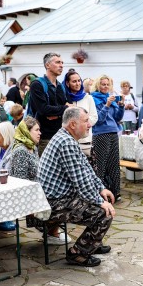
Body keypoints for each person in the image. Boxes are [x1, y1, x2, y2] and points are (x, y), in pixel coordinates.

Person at [38, 107, 115, 267]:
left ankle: (92, 242)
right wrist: (100, 201)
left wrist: (101, 188)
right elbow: (81, 182)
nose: (90, 124)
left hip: (60, 198)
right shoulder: (66, 142)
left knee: (101, 201)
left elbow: (85, 169)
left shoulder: (66, 138)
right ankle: (78, 254)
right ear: (73, 124)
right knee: (104, 213)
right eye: (86, 121)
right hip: (53, 203)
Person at [28, 53, 71, 155]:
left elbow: (70, 108)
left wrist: (55, 113)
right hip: (44, 137)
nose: (61, 65)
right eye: (57, 62)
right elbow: (43, 110)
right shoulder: (37, 84)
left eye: (62, 63)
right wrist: (63, 108)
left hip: (61, 136)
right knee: (45, 170)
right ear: (47, 65)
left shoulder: (61, 86)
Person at [91, 75, 124, 200]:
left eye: (107, 84)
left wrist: (121, 106)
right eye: (103, 84)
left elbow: (117, 118)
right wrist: (107, 105)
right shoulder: (94, 99)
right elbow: (98, 120)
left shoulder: (111, 98)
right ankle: (100, 192)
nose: (105, 86)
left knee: (114, 164)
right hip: (100, 134)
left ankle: (116, 192)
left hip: (113, 132)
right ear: (98, 85)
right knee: (101, 164)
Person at [63, 69, 98, 158]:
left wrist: (82, 124)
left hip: (85, 142)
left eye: (79, 81)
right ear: (67, 83)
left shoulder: (88, 98)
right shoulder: (64, 98)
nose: (78, 84)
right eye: (74, 81)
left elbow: (94, 117)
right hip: (68, 142)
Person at [9, 116, 40, 182]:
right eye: (36, 130)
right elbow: (21, 181)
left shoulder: (33, 147)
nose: (40, 133)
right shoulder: (21, 151)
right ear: (26, 132)